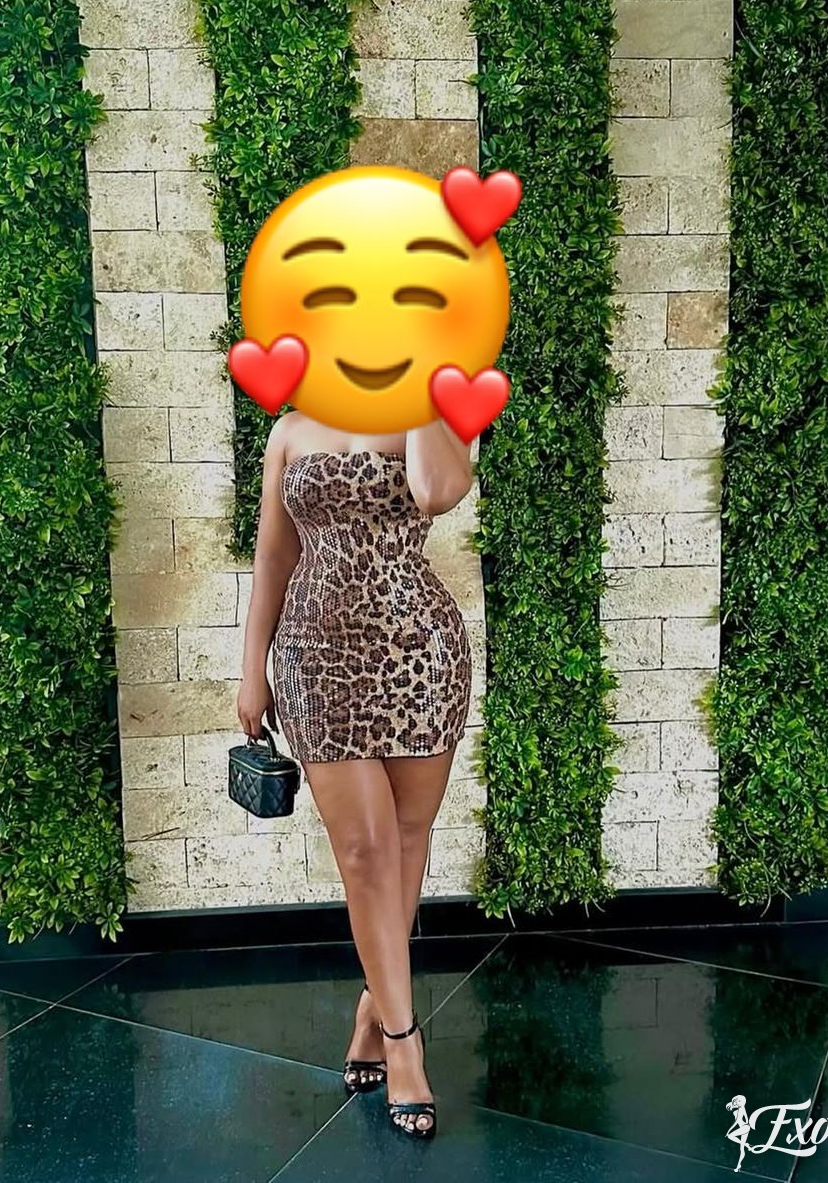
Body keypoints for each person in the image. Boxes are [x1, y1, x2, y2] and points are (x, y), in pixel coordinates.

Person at [237, 408, 475, 1140]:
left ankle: (376, 1005)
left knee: (405, 841)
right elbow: (274, 555)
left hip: (420, 653)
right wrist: (251, 670)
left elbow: (437, 492)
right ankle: (404, 1041)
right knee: (365, 852)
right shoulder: (290, 430)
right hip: (315, 656)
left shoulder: (438, 413)